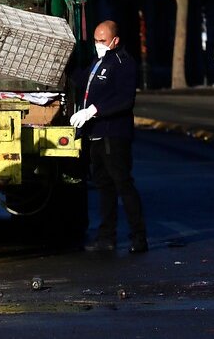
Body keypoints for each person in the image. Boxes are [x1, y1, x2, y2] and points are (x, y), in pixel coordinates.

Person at [71, 20, 147, 254]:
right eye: (95, 40)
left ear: (115, 40)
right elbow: (80, 80)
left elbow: (125, 100)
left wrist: (93, 110)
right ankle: (106, 236)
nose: (98, 44)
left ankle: (139, 237)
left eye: (102, 41)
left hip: (114, 135)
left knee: (123, 184)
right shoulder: (98, 62)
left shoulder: (123, 63)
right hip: (95, 135)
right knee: (104, 187)